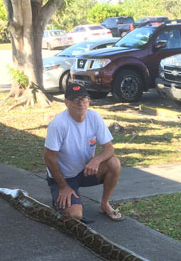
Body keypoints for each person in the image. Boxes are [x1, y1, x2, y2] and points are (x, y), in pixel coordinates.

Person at [44, 82, 123, 222]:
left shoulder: (94, 117)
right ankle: (58, 196)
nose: (81, 103)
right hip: (64, 178)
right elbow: (49, 158)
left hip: (85, 171)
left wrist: (97, 160)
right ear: (66, 103)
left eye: (84, 98)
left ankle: (104, 204)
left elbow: (109, 148)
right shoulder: (58, 124)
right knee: (75, 215)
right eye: (76, 99)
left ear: (89, 101)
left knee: (114, 163)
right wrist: (63, 186)